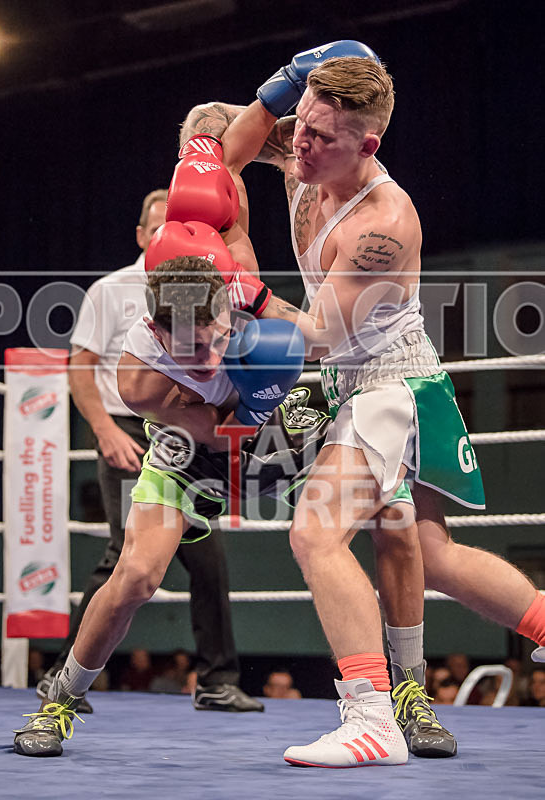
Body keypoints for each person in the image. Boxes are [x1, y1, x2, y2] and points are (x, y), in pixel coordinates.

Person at [179, 39, 545, 765]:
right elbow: (230, 144)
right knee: (432, 556)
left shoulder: (384, 223)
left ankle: (371, 715)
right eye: (300, 126)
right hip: (362, 383)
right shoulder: (305, 147)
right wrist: (275, 94)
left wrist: (235, 287)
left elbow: (316, 335)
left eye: (319, 138)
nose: (301, 147)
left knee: (316, 531)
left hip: (392, 385)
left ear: (367, 143)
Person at [12, 241, 329, 756]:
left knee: (377, 512)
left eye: (216, 341)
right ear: (158, 332)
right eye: (188, 350)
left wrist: (269, 319)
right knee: (136, 576)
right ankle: (59, 703)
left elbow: (324, 338)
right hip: (190, 456)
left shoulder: (241, 296)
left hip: (273, 428)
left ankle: (389, 700)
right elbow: (217, 435)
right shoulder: (137, 379)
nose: (206, 360)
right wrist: (256, 401)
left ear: (227, 311)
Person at [36, 189, 263, 715]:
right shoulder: (112, 292)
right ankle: (64, 676)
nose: (171, 238)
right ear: (142, 235)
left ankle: (216, 680)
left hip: (196, 426)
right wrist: (103, 430)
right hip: (129, 425)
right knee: (128, 560)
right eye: (158, 229)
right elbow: (81, 365)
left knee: (208, 561)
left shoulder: (225, 290)